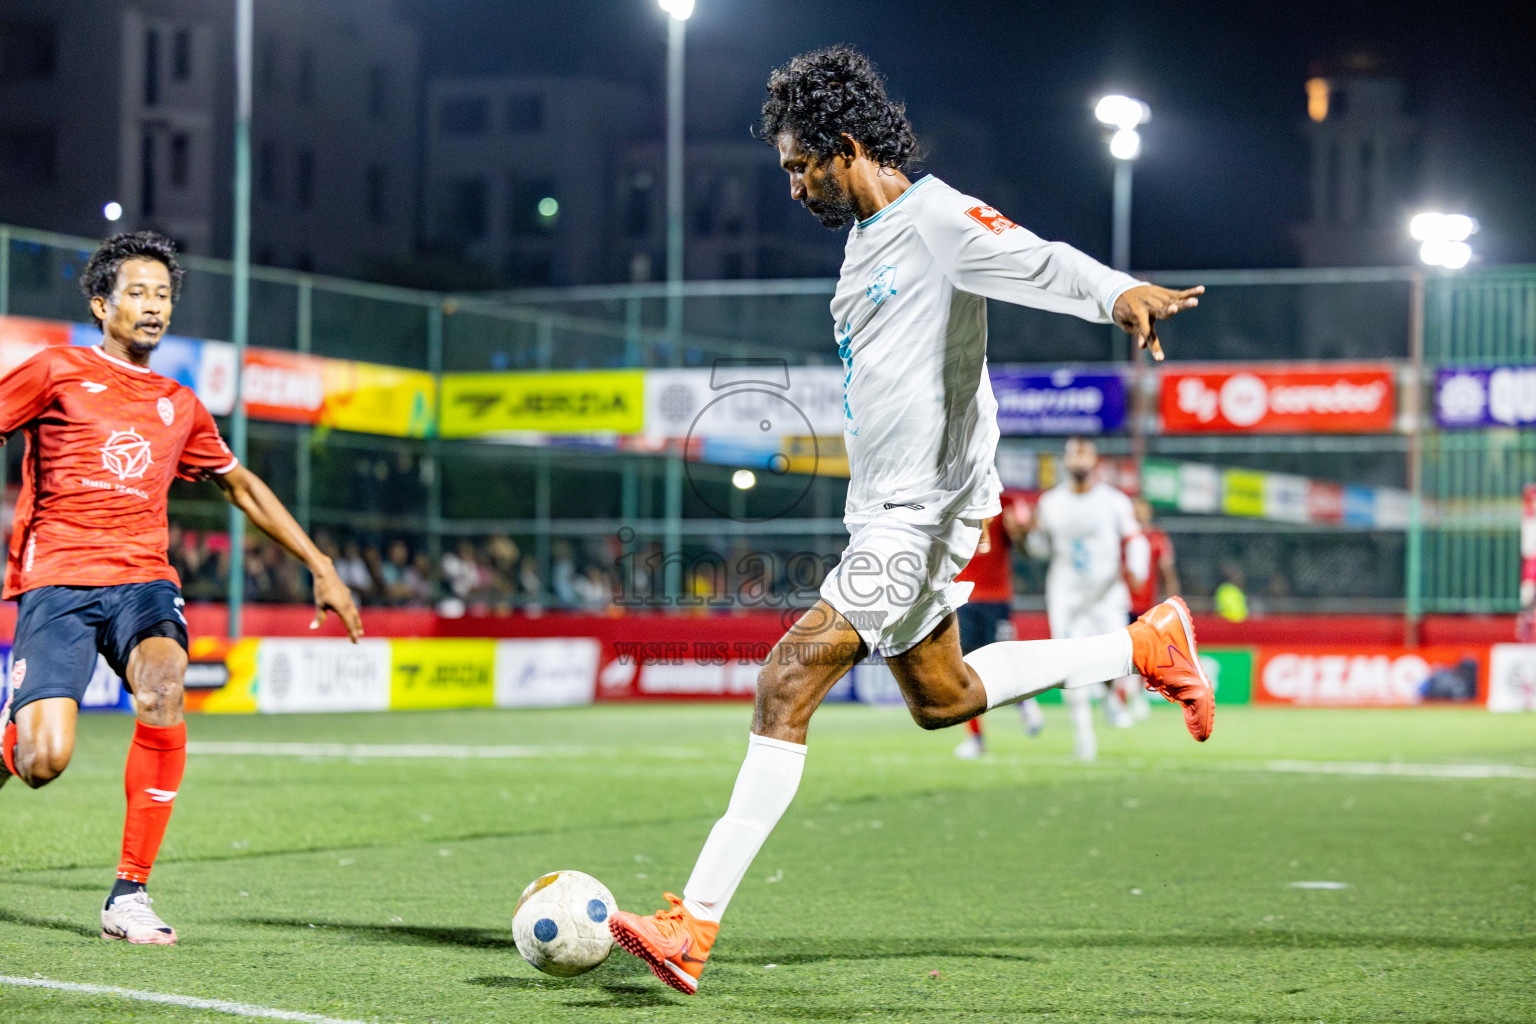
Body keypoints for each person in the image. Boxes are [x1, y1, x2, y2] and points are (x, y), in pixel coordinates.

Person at [606, 47, 1212, 995]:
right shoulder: (863, 246)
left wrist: (1116, 292)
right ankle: (1143, 648)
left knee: (787, 674)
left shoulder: (934, 218)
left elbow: (1037, 259)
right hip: (885, 512)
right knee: (943, 698)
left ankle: (692, 922)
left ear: (846, 148)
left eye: (802, 167)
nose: (795, 186)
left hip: (925, 510)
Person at [0, 231, 363, 945]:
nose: (153, 306)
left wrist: (320, 565)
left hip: (143, 579)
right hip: (60, 579)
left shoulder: (180, 403)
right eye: (136, 292)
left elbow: (242, 486)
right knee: (43, 762)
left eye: (163, 294)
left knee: (165, 686)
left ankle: (128, 894)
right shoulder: (53, 371)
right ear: (102, 305)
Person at [1017, 438, 1150, 758]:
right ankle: (1084, 736)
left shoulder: (1113, 501)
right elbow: (1041, 550)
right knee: (1069, 666)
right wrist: (1029, 535)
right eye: (1073, 455)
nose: (1078, 461)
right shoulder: (1050, 503)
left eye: (1084, 454)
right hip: (1066, 594)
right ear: (1065, 461)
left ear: (1094, 461)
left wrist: (1137, 568)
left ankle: (1115, 697)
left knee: (1114, 661)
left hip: (1106, 593)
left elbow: (1134, 538)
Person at [951, 491, 1034, 759]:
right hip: (964, 595)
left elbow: (1023, 544)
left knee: (1003, 661)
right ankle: (975, 737)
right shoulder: (952, 497)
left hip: (997, 596)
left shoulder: (1007, 501)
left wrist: (1021, 530)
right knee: (964, 668)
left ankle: (1024, 703)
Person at [1117, 496, 1181, 723]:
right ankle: (1122, 701)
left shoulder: (1157, 537)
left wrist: (1172, 602)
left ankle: (1134, 697)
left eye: (1142, 509)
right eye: (1134, 509)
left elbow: (1167, 570)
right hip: (1120, 605)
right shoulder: (1123, 537)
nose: (1138, 513)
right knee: (1123, 654)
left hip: (1147, 607)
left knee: (1143, 656)